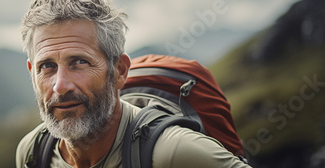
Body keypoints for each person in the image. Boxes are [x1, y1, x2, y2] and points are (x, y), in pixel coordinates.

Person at [16, 0, 251, 167]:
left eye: (79, 62)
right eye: (47, 66)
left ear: (119, 71)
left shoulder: (174, 153)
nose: (60, 86)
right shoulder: (33, 152)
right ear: (31, 72)